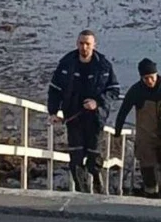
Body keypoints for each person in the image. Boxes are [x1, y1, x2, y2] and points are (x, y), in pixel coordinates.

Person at [47, 29, 120, 193]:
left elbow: (114, 90)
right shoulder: (66, 64)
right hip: (73, 118)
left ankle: (98, 184)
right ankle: (82, 192)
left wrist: (98, 102)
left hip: (95, 118)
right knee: (76, 159)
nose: (84, 47)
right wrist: (53, 111)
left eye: (87, 44)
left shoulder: (104, 66)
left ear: (94, 45)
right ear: (76, 44)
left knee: (94, 158)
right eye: (81, 43)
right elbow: (54, 89)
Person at [113, 58, 161, 198]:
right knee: (148, 168)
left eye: (151, 77)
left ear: (157, 74)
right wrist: (117, 131)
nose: (149, 81)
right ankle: (151, 195)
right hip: (146, 135)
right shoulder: (136, 90)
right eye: (145, 78)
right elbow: (124, 110)